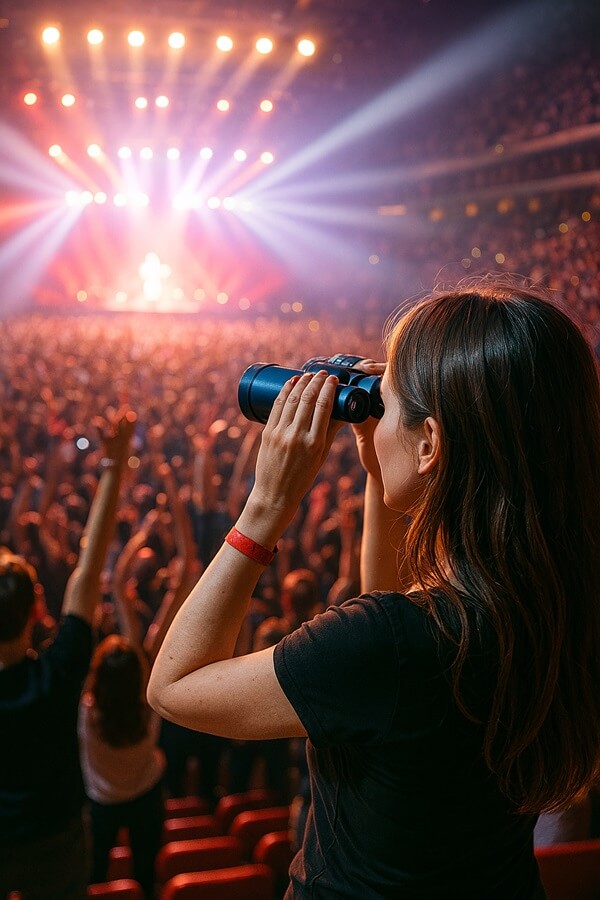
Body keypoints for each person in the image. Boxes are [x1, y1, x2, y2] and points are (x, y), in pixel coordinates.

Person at [148, 278, 600, 899]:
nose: (375, 415)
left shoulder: (389, 646)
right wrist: (377, 465)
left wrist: (265, 507)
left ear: (431, 444)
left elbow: (174, 686)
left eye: (385, 404)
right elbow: (393, 628)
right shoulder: (554, 602)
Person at [0, 410, 135, 900]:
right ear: (37, 609)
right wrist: (113, 466)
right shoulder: (59, 672)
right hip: (55, 840)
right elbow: (88, 565)